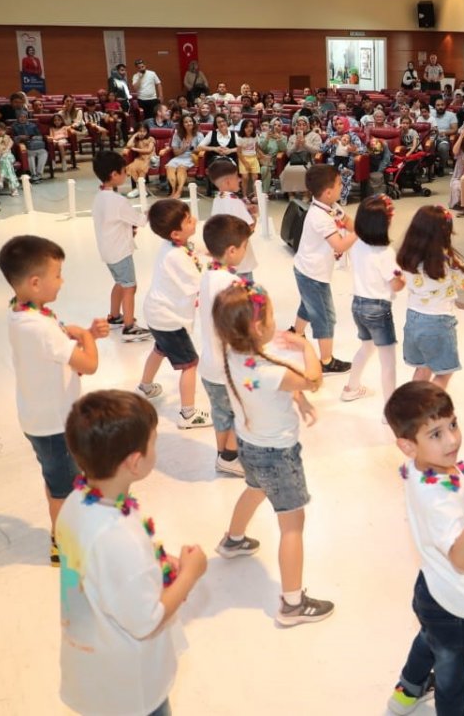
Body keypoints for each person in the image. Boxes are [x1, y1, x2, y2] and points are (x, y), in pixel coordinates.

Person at [57, 390, 206, 716]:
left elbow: (102, 570)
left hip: (92, 667)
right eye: (153, 442)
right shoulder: (119, 538)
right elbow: (147, 621)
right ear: (135, 462)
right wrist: (191, 573)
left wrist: (154, 564)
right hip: (130, 688)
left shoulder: (76, 503)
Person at [213, 281, 333, 625]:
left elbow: (276, 390)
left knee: (254, 489)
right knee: (292, 524)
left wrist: (299, 399)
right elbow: (312, 378)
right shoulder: (271, 371)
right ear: (255, 327)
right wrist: (305, 345)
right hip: (278, 453)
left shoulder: (232, 354)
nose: (275, 320)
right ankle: (292, 604)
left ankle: (234, 540)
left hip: (249, 443)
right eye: (269, 316)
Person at [383, 381, 464, 715]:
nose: (452, 439)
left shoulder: (422, 466)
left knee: (428, 638)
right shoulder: (437, 503)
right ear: (408, 446)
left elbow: (448, 474)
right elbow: (462, 559)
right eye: (436, 434)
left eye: (452, 424)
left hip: (432, 590)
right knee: (454, 681)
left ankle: (408, 691)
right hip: (456, 604)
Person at [0, 235, 109, 564]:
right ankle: (64, 543)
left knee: (57, 478)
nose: (62, 281)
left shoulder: (22, 311)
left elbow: (54, 344)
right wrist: (88, 337)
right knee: (64, 488)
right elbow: (89, 365)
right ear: (35, 282)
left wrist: (77, 333)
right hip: (53, 425)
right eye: (57, 274)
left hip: (40, 416)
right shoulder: (40, 328)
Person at [136, 199, 212, 429]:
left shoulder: (175, 246)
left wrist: (209, 251)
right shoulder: (176, 257)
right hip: (170, 319)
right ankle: (188, 414)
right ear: (175, 233)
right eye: (189, 220)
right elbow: (201, 282)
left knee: (160, 349)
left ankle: (145, 387)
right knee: (190, 363)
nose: (195, 220)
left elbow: (196, 251)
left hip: (157, 314)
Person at [193, 214, 251, 478]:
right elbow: (237, 326)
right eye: (244, 247)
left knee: (221, 413)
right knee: (241, 411)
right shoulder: (231, 284)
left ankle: (222, 455)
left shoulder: (209, 275)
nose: (245, 252)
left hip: (209, 364)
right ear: (231, 250)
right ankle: (229, 456)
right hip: (228, 365)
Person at [397, 206, 464, 390]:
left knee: (423, 367)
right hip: (438, 322)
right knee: (444, 372)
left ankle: (410, 408)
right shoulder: (449, 262)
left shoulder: (407, 257)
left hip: (413, 320)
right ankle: (427, 410)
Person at [341, 196, 405, 408]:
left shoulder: (357, 245)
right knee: (388, 362)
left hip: (358, 305)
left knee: (366, 348)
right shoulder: (386, 253)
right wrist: (402, 278)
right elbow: (396, 284)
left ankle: (351, 387)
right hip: (378, 309)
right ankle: (390, 410)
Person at [293, 164, 355, 373]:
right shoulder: (319, 217)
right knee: (325, 317)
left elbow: (347, 222)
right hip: (312, 274)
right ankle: (327, 361)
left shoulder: (331, 206)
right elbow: (339, 245)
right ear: (328, 192)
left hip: (309, 270)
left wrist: (359, 226)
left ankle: (297, 332)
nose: (342, 186)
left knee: (309, 304)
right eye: (339, 184)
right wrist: (363, 233)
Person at [90, 153, 151, 341]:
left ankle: (115, 316)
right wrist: (150, 212)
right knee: (130, 287)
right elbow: (140, 221)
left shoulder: (100, 196)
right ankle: (129, 326)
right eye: (124, 171)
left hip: (107, 251)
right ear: (114, 174)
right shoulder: (118, 201)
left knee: (120, 282)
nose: (126, 174)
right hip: (120, 251)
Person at [208, 160, 258, 281]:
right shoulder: (235, 202)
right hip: (240, 259)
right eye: (237, 177)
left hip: (225, 255)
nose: (240, 180)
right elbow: (249, 228)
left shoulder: (218, 199)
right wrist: (254, 216)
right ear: (228, 181)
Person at [165, 115, 199, 196]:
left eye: (190, 121)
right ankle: (173, 190)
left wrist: (190, 148)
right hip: (179, 156)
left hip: (191, 156)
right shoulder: (177, 135)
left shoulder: (199, 135)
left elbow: (201, 151)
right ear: (182, 124)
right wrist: (183, 149)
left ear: (193, 123)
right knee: (170, 167)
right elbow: (175, 152)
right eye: (186, 122)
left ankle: (179, 191)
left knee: (181, 168)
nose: (188, 123)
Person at [122, 123, 155, 199]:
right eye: (140, 131)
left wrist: (135, 149)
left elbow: (149, 150)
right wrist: (134, 135)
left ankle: (139, 189)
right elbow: (128, 145)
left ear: (147, 131)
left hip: (149, 158)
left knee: (141, 168)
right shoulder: (136, 140)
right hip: (140, 158)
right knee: (132, 167)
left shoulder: (151, 139)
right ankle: (141, 189)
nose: (142, 133)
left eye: (144, 131)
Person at [0, 121, 20, 196]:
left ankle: (1, 179)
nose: (0, 132)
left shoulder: (8, 138)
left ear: (5, 130)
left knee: (5, 158)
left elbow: (7, 149)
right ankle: (14, 189)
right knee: (7, 165)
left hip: (9, 156)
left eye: (2, 130)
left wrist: (2, 151)